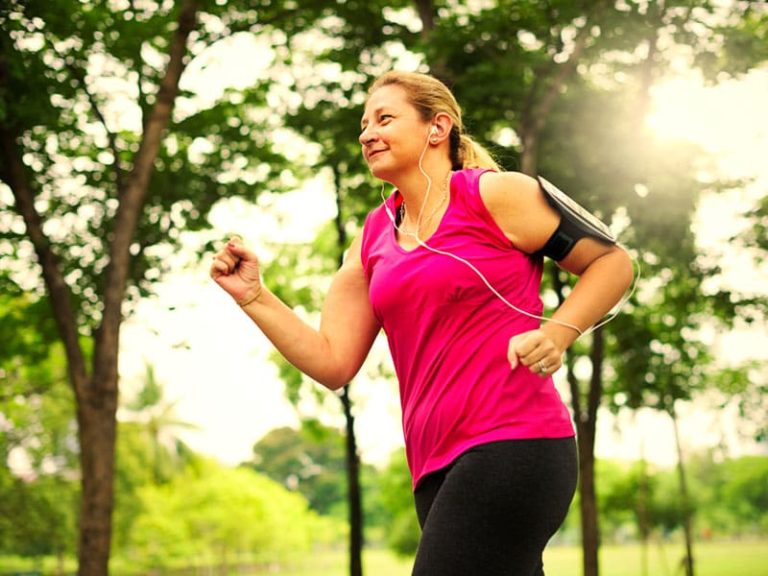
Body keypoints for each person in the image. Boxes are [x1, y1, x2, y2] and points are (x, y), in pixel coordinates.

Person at [210, 70, 634, 576]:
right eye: (363, 124)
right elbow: (332, 361)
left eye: (384, 119)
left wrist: (558, 331)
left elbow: (612, 263)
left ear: (438, 127)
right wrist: (255, 297)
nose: (367, 133)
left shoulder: (495, 196)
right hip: (434, 464)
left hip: (514, 442)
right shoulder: (371, 239)